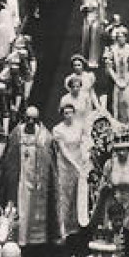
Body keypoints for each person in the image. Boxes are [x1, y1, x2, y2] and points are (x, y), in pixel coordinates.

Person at [0, 106, 57, 249]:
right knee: (19, 209)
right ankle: (18, 240)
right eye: (28, 118)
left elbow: (49, 158)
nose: (30, 121)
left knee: (33, 210)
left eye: (33, 119)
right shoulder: (17, 133)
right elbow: (10, 156)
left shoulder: (44, 136)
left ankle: (34, 242)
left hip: (36, 181)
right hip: (19, 179)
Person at [52, 102, 90, 243]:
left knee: (78, 193)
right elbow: (64, 150)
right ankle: (63, 230)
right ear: (62, 115)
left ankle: (76, 226)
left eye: (70, 112)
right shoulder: (58, 129)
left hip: (80, 163)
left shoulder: (80, 125)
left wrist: (85, 157)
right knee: (64, 196)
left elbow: (85, 141)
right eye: (65, 113)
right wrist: (75, 164)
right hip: (65, 165)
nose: (68, 115)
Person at [104, 26, 129, 123]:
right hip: (116, 80)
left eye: (123, 36)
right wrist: (117, 80)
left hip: (128, 80)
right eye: (119, 37)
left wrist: (126, 80)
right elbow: (109, 67)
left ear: (126, 37)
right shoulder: (111, 49)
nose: (121, 38)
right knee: (115, 104)